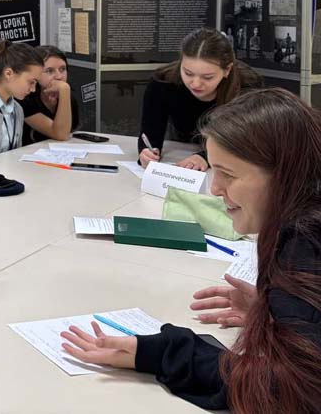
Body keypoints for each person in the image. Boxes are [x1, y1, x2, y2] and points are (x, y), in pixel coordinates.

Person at [61, 88, 321, 413]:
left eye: (228, 174)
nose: (215, 188)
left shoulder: (304, 247)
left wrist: (165, 353)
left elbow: (290, 391)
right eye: (214, 170)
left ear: (282, 173)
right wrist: (277, 312)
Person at [138, 28, 261, 171]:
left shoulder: (247, 86)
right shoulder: (163, 82)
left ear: (227, 70)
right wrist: (146, 152)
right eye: (188, 73)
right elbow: (150, 134)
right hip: (182, 154)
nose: (195, 84)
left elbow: (246, 140)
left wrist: (205, 156)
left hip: (229, 163)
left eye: (207, 77)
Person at [18, 45, 79, 145]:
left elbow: (70, 132)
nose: (59, 76)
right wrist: (64, 90)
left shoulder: (67, 94)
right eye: (50, 71)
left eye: (62, 69)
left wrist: (64, 92)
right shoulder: (25, 98)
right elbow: (61, 134)